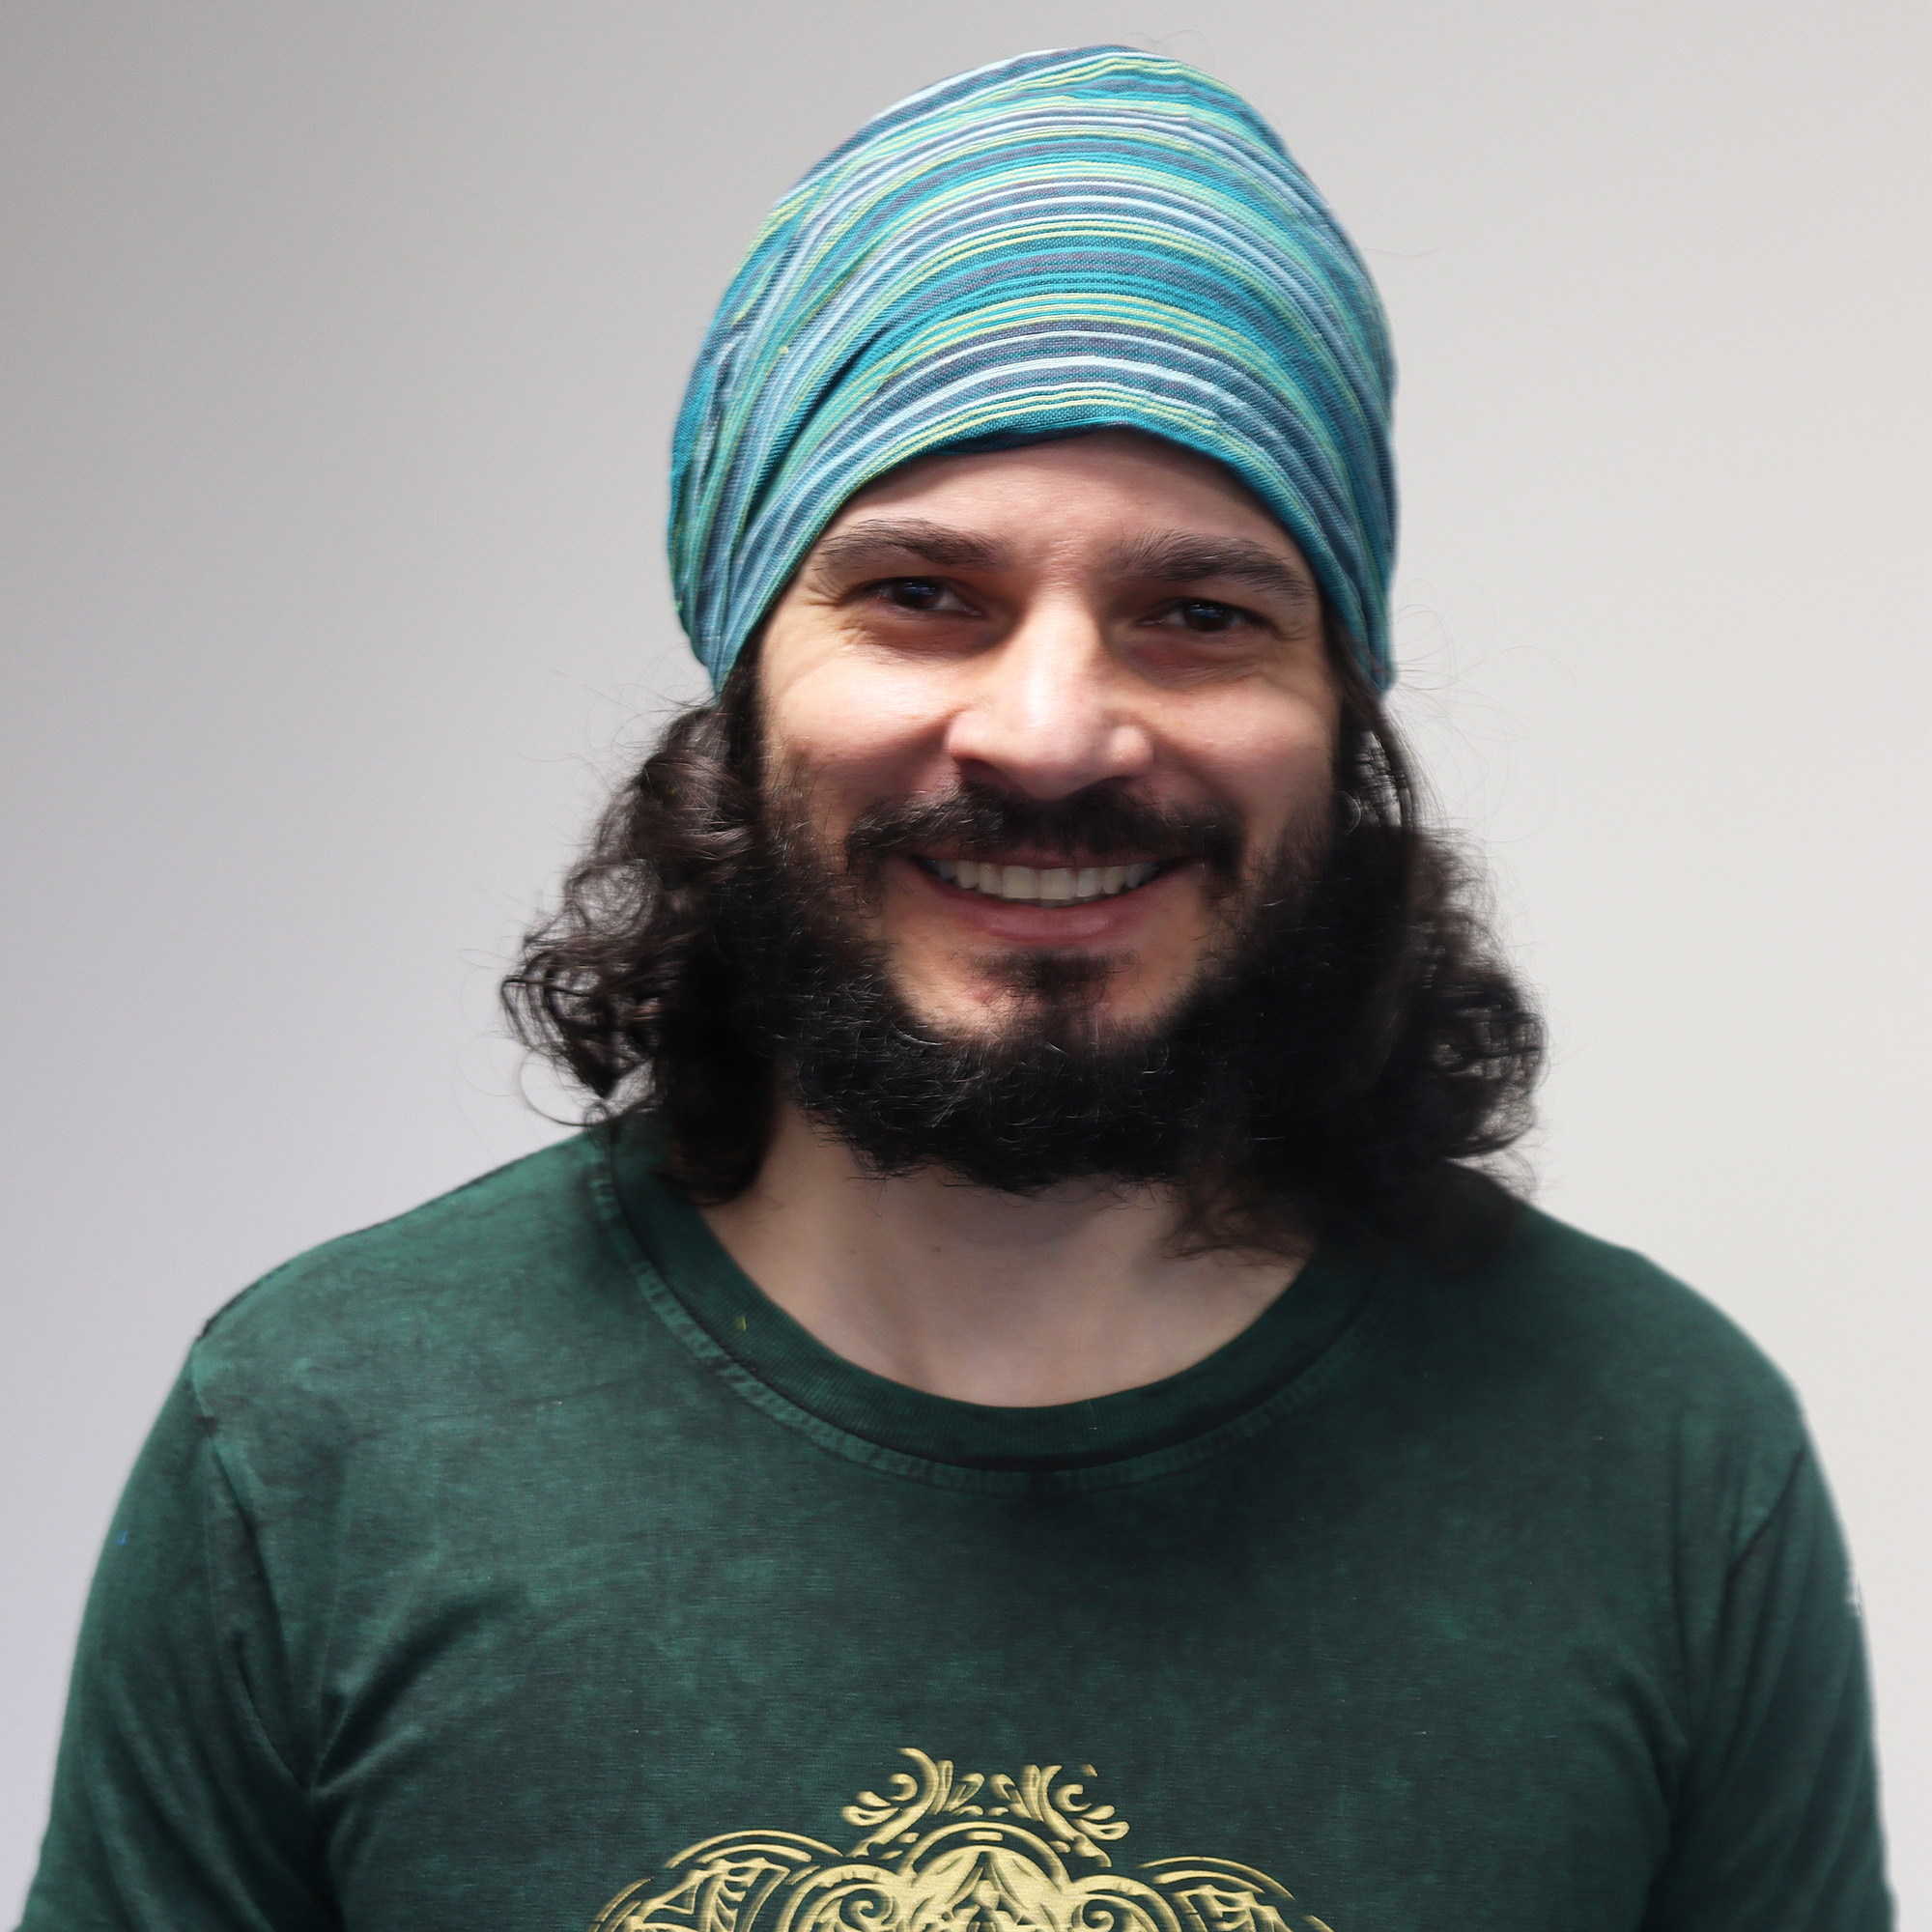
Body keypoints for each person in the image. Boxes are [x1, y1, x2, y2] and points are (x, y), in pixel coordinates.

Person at [17, 46, 1889, 1932]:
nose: (1051, 732)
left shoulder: (1659, 1454)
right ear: (746, 698)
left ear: (1340, 728)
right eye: (923, 594)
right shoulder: (323, 1433)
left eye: (1201, 615)